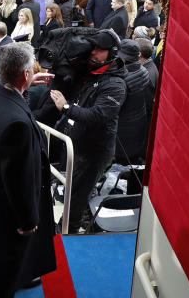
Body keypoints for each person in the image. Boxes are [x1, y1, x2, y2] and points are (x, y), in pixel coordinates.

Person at [0, 43, 57, 295]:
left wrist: (26, 83)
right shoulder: (17, 125)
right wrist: (27, 220)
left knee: (4, 259)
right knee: (7, 265)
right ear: (24, 74)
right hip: (11, 211)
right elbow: (17, 178)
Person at [43, 30, 127, 233]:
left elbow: (97, 116)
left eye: (100, 50)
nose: (94, 53)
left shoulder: (115, 84)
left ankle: (70, 230)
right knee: (76, 191)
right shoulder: (89, 72)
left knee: (77, 196)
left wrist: (65, 108)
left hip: (95, 150)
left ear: (112, 53)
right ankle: (75, 221)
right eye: (93, 48)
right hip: (78, 143)